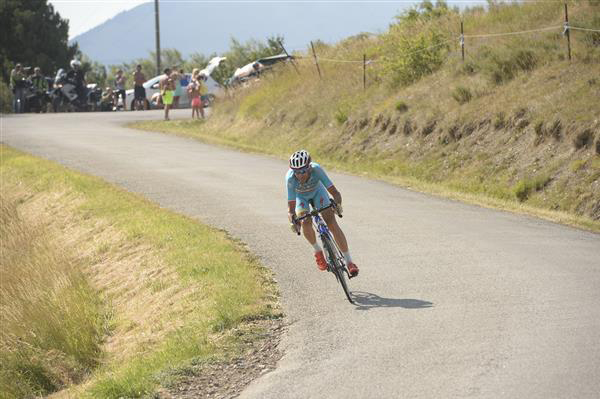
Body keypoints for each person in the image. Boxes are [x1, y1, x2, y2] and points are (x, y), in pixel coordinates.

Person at [286, 150, 359, 277]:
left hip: (318, 193)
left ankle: (349, 262)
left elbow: (335, 193)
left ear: (309, 167)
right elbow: (291, 208)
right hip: (301, 198)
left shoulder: (317, 169)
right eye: (297, 172)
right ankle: (318, 251)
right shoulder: (290, 179)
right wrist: (293, 219)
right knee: (305, 221)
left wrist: (337, 204)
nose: (300, 175)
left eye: (303, 171)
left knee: (331, 223)